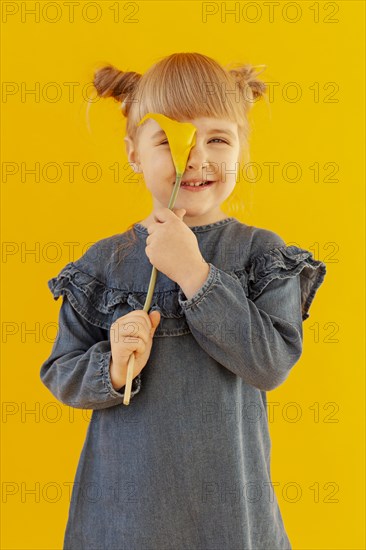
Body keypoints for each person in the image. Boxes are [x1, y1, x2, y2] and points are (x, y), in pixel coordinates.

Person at [40, 52, 327, 550]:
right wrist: (111, 368)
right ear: (134, 151)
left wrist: (195, 274)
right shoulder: (103, 264)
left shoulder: (262, 254)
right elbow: (61, 372)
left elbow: (271, 363)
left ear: (241, 149)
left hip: (231, 519)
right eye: (170, 138)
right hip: (125, 524)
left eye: (217, 138)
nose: (195, 155)